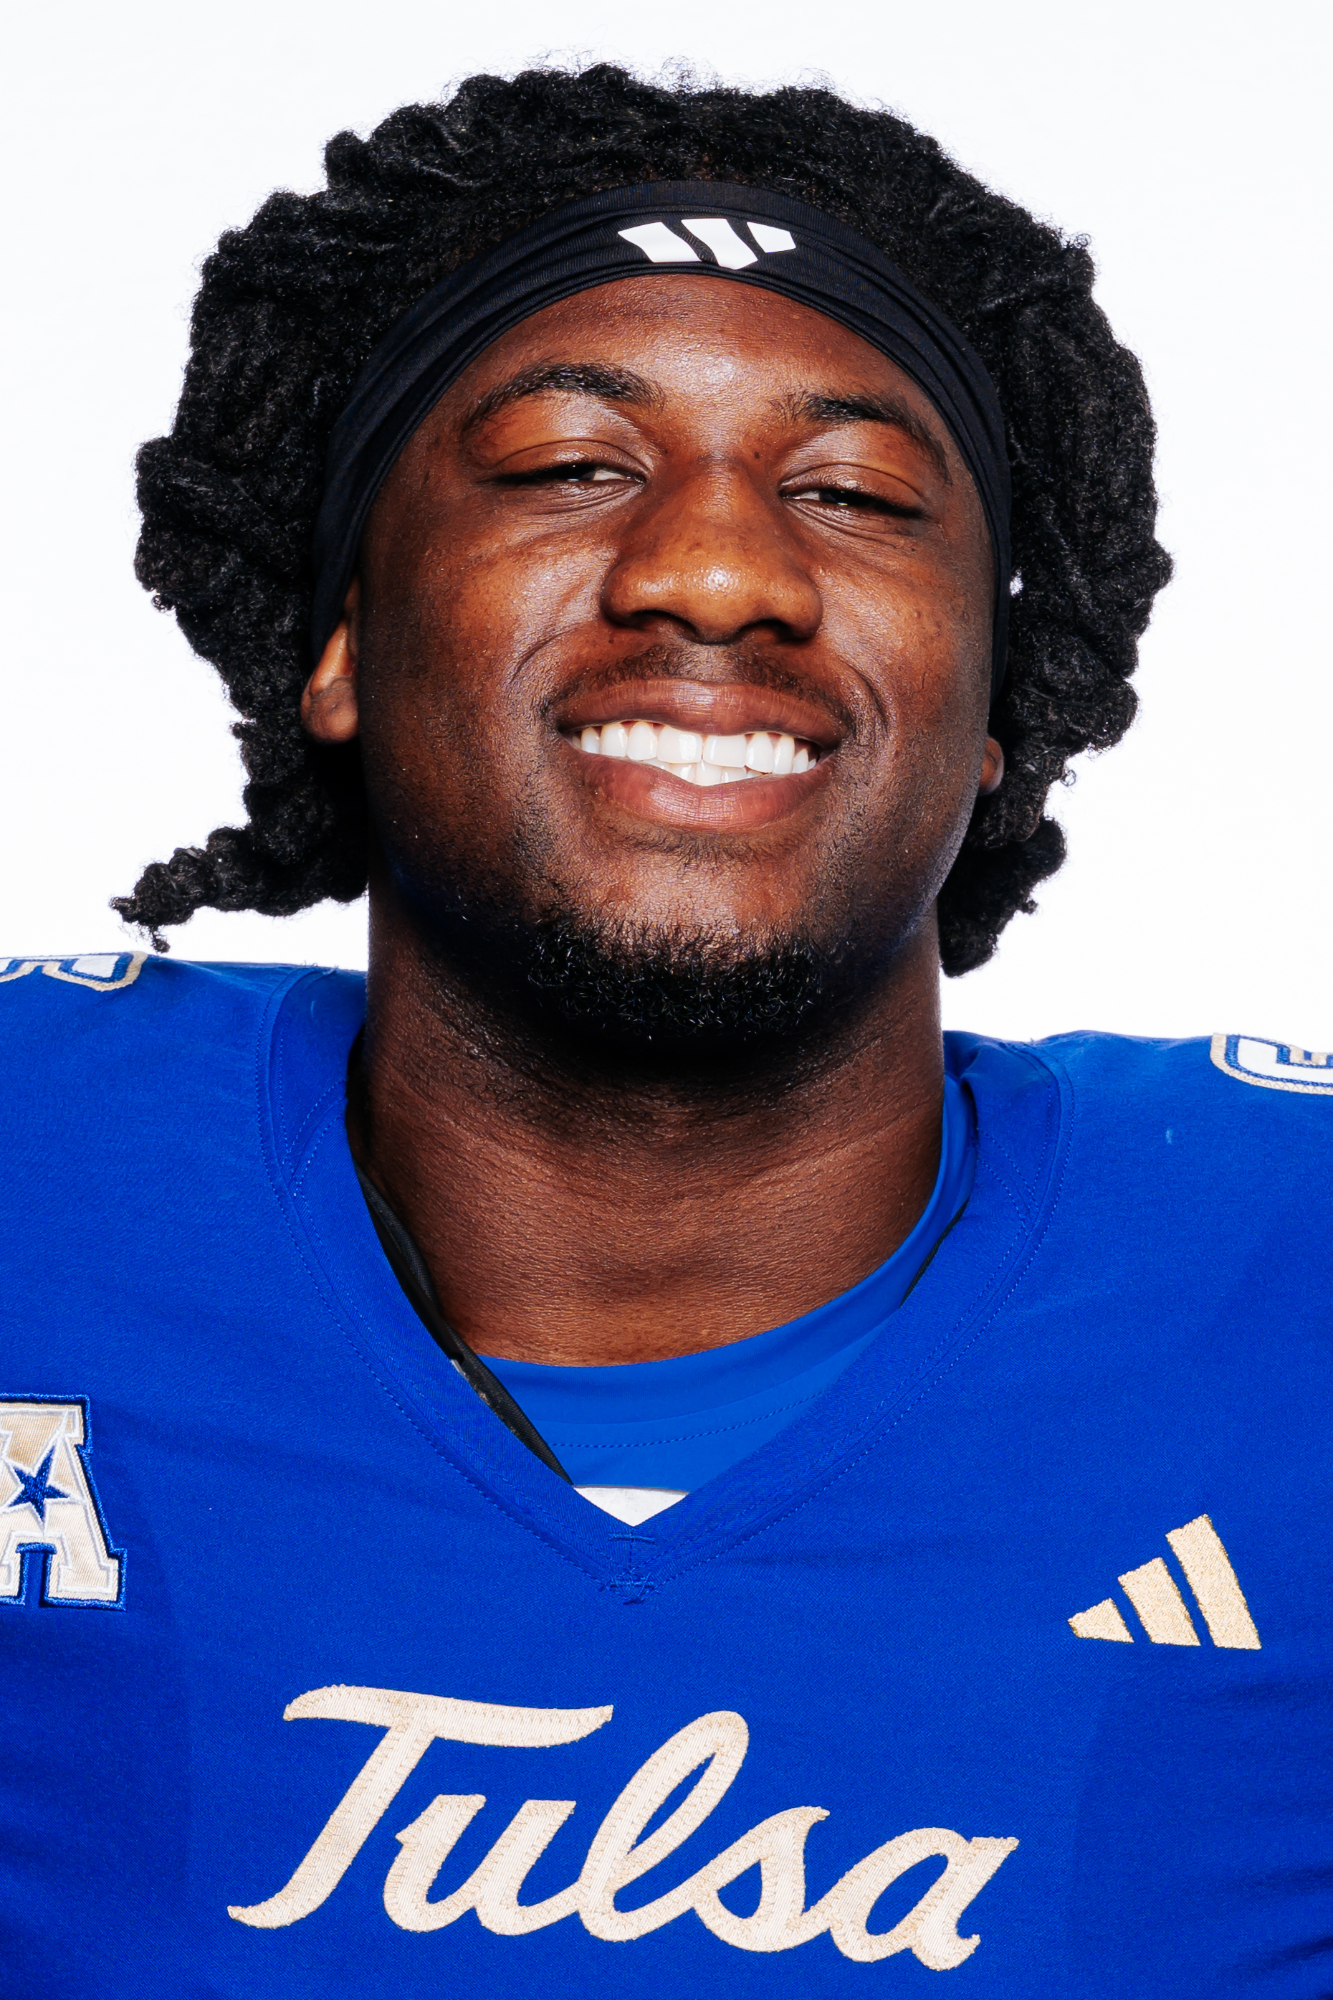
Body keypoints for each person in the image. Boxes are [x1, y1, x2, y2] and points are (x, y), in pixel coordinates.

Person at [0, 63, 1328, 1995]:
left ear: (998, 705)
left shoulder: (1288, 1278)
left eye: (852, 495)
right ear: (338, 636)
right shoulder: (39, 1182)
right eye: (570, 467)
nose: (716, 571)